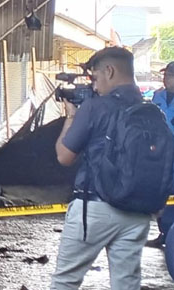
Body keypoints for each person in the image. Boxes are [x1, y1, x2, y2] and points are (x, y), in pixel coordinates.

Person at [51, 47, 151, 289]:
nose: (94, 87)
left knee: (65, 281)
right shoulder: (151, 110)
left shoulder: (95, 107)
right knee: (126, 284)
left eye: (95, 78)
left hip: (94, 207)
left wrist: (71, 117)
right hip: (138, 211)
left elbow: (64, 156)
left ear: (109, 70)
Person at [148, 62, 174, 248]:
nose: (166, 79)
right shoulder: (158, 96)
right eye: (165, 75)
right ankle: (164, 233)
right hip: (160, 152)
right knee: (161, 192)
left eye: (170, 76)